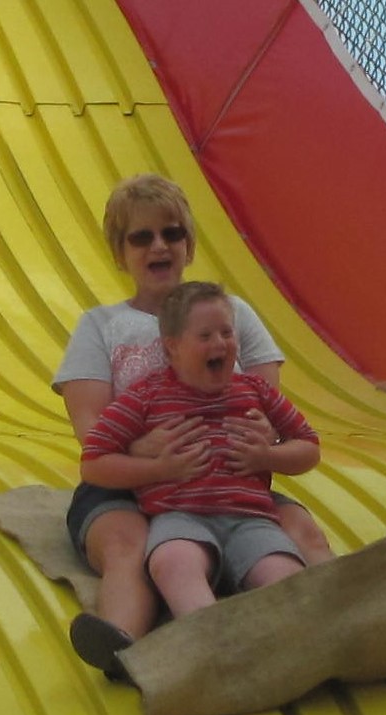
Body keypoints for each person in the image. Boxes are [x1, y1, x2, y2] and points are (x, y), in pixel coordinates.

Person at [53, 173, 334, 676]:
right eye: (141, 236)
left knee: (298, 528)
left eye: (172, 233)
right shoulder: (101, 325)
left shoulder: (231, 313)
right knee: (130, 544)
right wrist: (152, 460)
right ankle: (123, 644)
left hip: (227, 478)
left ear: (189, 244)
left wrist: (257, 449)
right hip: (129, 487)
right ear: (120, 253)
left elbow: (267, 404)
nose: (159, 245)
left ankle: (344, 617)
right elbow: (90, 428)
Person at [81, 281, 319, 618]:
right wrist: (159, 470)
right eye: (205, 336)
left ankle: (299, 640)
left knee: (284, 573)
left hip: (250, 519)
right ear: (172, 348)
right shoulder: (147, 397)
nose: (220, 343)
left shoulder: (254, 390)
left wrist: (268, 457)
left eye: (226, 332)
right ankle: (211, 635)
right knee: (173, 562)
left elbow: (309, 446)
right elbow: (93, 462)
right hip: (180, 518)